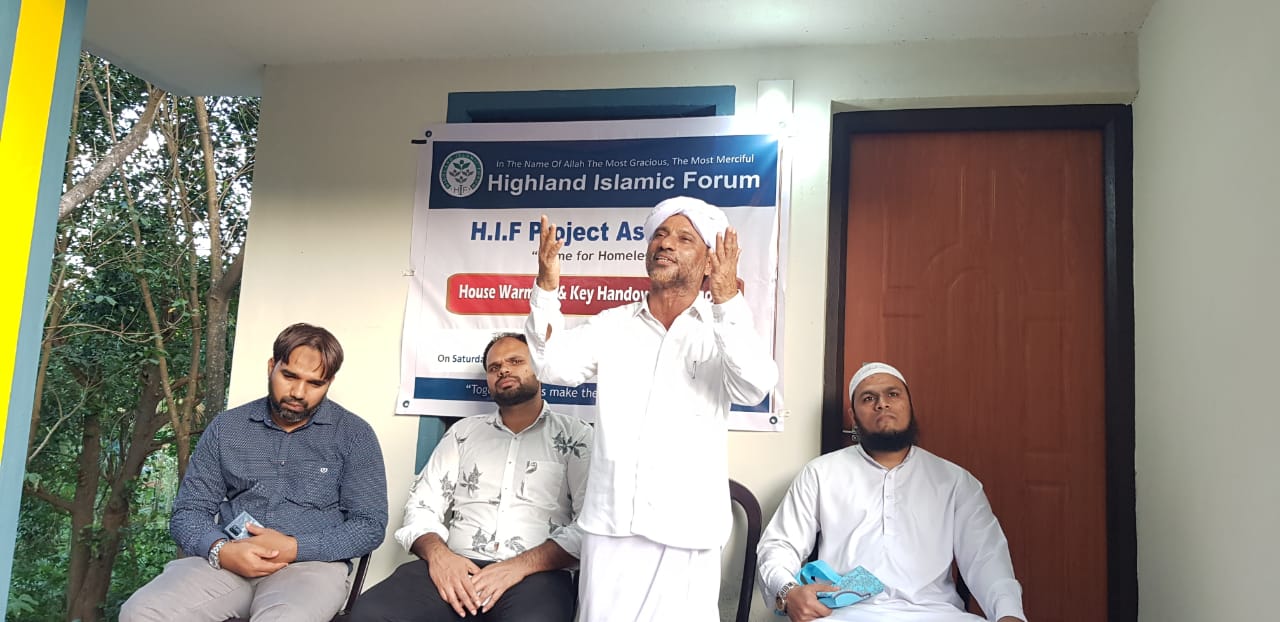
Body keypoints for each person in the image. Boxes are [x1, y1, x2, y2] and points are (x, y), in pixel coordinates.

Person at [524, 196, 779, 621]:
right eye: (660, 234)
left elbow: (754, 386)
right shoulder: (614, 323)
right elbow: (552, 365)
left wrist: (727, 299)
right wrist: (547, 287)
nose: (665, 243)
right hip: (613, 525)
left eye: (684, 238)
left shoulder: (723, 328)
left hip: (688, 528)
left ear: (709, 262)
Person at [121, 323, 388, 622]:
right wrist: (220, 549)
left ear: (330, 382)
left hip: (310, 568)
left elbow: (369, 525)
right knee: (141, 612)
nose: (298, 393)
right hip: (228, 561)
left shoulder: (354, 435)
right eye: (289, 376)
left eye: (315, 383)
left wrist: (294, 548)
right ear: (272, 366)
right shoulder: (227, 428)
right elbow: (189, 512)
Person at [757, 362, 1027, 622]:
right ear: (853, 415)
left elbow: (987, 558)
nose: (882, 403)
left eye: (893, 394)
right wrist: (788, 591)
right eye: (868, 398)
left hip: (937, 613)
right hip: (841, 615)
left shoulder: (956, 482)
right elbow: (779, 545)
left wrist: (1009, 613)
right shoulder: (820, 473)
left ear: (910, 405)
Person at [350, 333, 592, 622]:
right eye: (494, 367)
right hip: (457, 567)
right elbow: (421, 506)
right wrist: (440, 557)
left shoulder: (576, 436)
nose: (503, 370)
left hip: (536, 574)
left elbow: (589, 524)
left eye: (516, 361)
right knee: (371, 614)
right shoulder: (463, 433)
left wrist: (518, 567)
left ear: (541, 367)